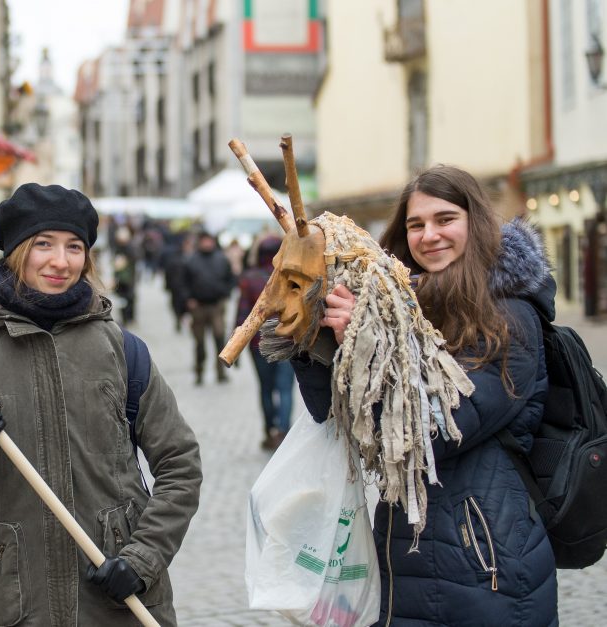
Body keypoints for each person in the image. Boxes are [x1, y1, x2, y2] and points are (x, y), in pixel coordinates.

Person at [0, 183, 202, 626]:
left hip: (116, 604)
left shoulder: (123, 352)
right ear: (16, 253)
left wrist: (142, 559)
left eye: (75, 247)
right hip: (14, 607)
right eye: (43, 245)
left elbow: (180, 464)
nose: (61, 261)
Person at [290, 165, 557, 625]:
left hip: (483, 560)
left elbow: (434, 434)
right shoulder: (404, 309)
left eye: (445, 218)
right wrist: (316, 340)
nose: (429, 235)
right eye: (416, 224)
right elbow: (337, 418)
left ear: (476, 222)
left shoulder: (509, 320)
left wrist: (369, 337)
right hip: (404, 553)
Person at [235, 236, 295, 449]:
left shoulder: (249, 278)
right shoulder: (292, 277)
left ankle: (270, 429)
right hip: (288, 341)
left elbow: (243, 314)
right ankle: (284, 430)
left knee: (266, 388)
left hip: (259, 344)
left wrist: (236, 345)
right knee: (286, 389)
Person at [182, 231, 236, 385]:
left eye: (209, 241)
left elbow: (231, 279)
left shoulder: (221, 259)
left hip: (216, 305)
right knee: (199, 343)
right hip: (198, 307)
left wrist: (225, 293)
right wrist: (188, 299)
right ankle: (199, 372)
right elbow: (183, 283)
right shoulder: (191, 260)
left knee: (219, 338)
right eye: (204, 241)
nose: (207, 244)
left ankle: (220, 372)